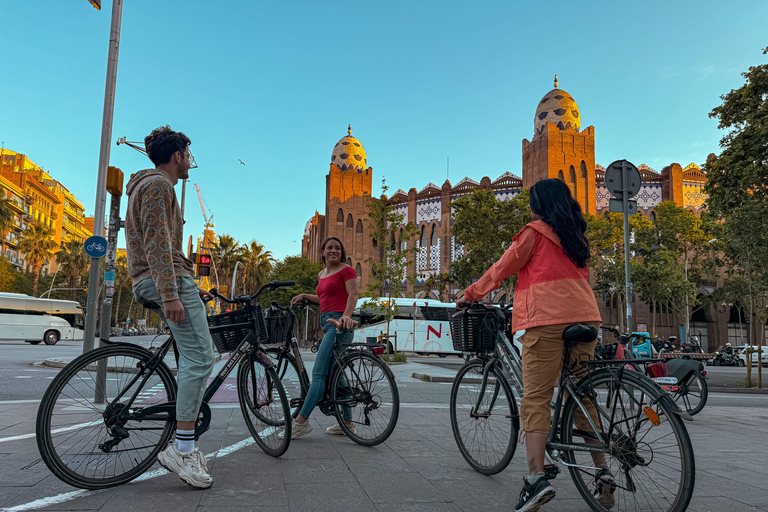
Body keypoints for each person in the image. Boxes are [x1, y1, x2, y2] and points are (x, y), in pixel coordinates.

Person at [461, 178, 614, 512]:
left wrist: (470, 293)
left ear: (540, 205)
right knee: (582, 396)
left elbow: (502, 268)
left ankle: (534, 480)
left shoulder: (534, 232)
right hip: (586, 318)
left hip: (546, 320)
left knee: (536, 399)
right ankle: (602, 471)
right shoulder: (576, 238)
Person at [126, 126, 215, 489]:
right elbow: (158, 243)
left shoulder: (144, 185)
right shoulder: (160, 185)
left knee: (189, 357)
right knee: (202, 358)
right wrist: (171, 293)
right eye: (188, 154)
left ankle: (184, 438)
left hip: (162, 279)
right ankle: (182, 447)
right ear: (176, 155)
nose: (190, 161)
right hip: (166, 280)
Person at [287, 237, 359, 438]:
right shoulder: (323, 274)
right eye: (330, 247)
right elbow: (324, 298)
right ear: (323, 252)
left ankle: (301, 422)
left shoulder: (347, 270)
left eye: (337, 247)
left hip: (339, 325)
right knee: (338, 375)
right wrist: (304, 295)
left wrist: (346, 315)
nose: (333, 250)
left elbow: (353, 294)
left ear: (341, 252)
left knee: (319, 375)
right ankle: (348, 423)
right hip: (327, 322)